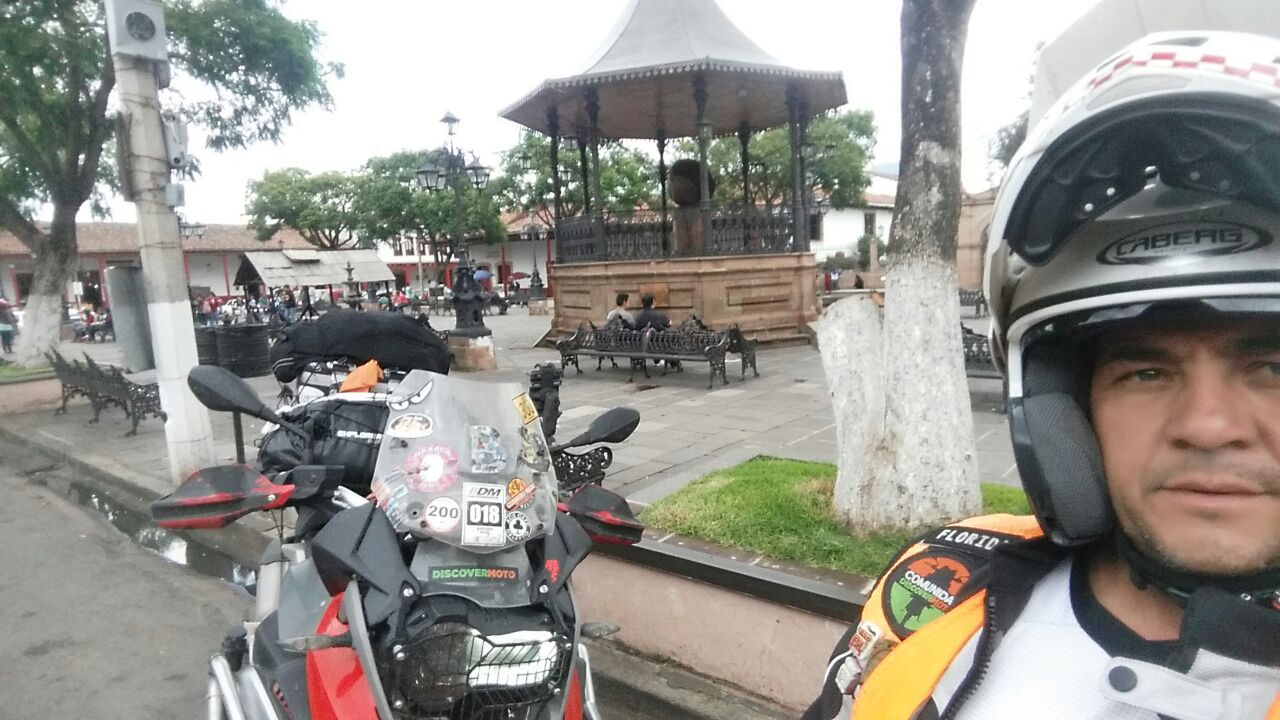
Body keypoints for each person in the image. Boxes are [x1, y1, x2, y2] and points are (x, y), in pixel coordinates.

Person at [804, 32, 1280, 719]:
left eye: (1270, 367)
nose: (1208, 425)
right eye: (1146, 372)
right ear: (1071, 408)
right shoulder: (939, 590)